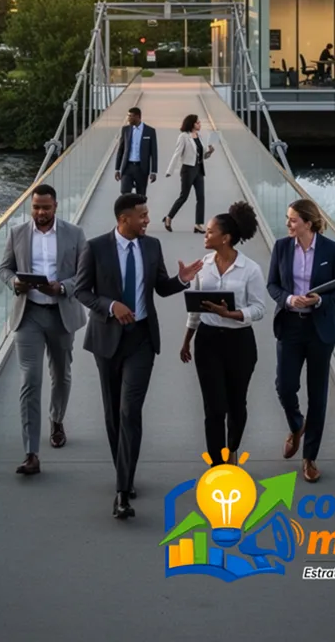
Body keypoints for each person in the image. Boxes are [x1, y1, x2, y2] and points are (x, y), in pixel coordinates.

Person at [75, 193, 201, 519]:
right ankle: (125, 473)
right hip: (107, 340)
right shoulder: (96, 247)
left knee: (130, 410)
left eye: (147, 214)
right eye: (142, 215)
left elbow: (160, 286)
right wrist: (110, 306)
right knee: (113, 414)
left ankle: (121, 491)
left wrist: (181, 281)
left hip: (142, 340)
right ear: (124, 219)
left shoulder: (151, 246)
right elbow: (81, 290)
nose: (148, 220)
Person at [0, 184, 87, 476]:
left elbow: (84, 275)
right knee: (30, 380)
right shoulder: (17, 233)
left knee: (60, 374)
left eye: (46, 208)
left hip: (61, 313)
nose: (40, 213)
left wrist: (62, 286)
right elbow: (5, 269)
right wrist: (15, 283)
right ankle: (31, 453)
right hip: (29, 314)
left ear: (56, 207)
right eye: (36, 207)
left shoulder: (74, 234)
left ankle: (57, 419)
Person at [267, 199, 335, 484]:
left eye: (292, 220)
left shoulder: (332, 250)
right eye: (288, 219)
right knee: (285, 385)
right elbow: (272, 285)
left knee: (318, 395)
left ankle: (310, 458)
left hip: (320, 330)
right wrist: (289, 299)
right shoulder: (280, 247)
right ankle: (296, 424)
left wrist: (320, 299)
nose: (288, 224)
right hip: (290, 325)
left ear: (308, 222)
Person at [180, 202, 265, 465]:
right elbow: (195, 307)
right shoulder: (202, 266)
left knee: (236, 404)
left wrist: (231, 314)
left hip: (239, 343)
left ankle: (232, 448)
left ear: (225, 238)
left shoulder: (250, 269)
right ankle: (217, 463)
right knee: (214, 407)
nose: (205, 236)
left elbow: (259, 309)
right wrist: (186, 341)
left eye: (209, 232)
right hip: (207, 342)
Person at [163, 114, 215, 234]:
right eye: (198, 123)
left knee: (201, 197)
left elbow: (202, 156)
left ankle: (198, 224)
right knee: (184, 196)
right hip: (188, 170)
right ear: (192, 124)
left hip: (199, 169)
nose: (200, 124)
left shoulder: (199, 136)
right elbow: (177, 153)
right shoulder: (183, 137)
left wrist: (210, 152)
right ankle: (169, 217)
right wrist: (170, 170)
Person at [114, 107, 158, 195]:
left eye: (131, 116)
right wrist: (117, 169)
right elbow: (121, 150)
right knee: (124, 192)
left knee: (141, 195)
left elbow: (154, 152)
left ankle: (137, 208)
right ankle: (128, 208)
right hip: (127, 167)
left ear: (138, 117)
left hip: (141, 168)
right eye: (128, 116)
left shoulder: (150, 131)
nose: (128, 118)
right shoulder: (125, 130)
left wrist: (153, 171)